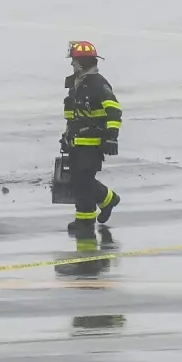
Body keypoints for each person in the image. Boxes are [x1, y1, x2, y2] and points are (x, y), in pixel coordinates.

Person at [62, 40, 122, 237]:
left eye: (74, 61)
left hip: (92, 144)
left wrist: (112, 137)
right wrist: (66, 136)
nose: (72, 64)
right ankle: (108, 199)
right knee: (78, 180)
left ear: (82, 63)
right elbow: (73, 115)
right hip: (76, 142)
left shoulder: (98, 84)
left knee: (83, 182)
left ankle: (85, 222)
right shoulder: (77, 84)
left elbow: (114, 110)